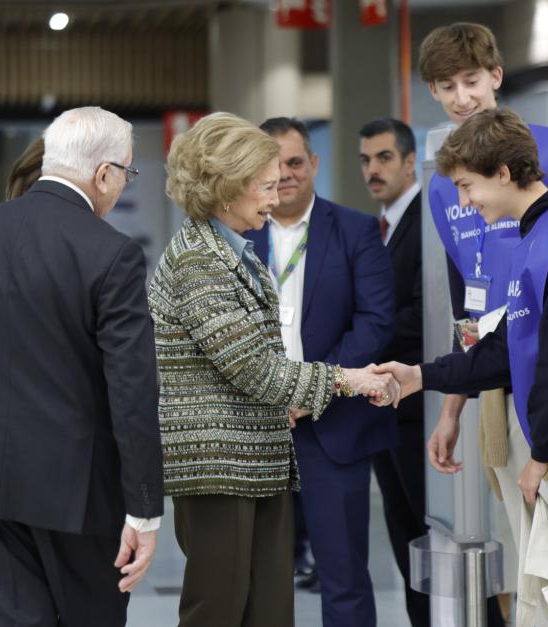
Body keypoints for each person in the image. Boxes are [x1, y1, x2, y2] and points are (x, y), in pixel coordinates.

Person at [0, 106, 164, 627]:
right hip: (80, 492)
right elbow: (132, 391)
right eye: (127, 172)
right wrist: (144, 508)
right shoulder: (111, 253)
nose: (124, 183)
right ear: (103, 174)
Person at [151, 112, 396, 627]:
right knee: (219, 611)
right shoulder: (199, 260)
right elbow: (254, 369)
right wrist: (348, 379)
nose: (274, 196)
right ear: (226, 189)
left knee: (267, 610)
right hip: (220, 465)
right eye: (264, 186)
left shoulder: (234, 250)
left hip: (257, 461)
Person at [377, 106, 548, 528]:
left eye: (467, 185)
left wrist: (541, 454)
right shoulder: (539, 234)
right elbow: (506, 349)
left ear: (504, 173)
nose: (463, 202)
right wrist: (419, 376)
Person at [418, 30, 548, 613]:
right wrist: (451, 409)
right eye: (447, 86)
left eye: (471, 81)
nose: (462, 97)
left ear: (496, 75)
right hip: (495, 371)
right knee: (522, 547)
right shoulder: (444, 186)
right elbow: (467, 301)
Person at [243, 116, 397, 627]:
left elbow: (375, 321)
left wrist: (312, 390)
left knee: (343, 576)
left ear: (314, 163)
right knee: (254, 577)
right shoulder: (238, 235)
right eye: (274, 166)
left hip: (333, 427)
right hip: (255, 426)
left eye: (294, 162)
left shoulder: (355, 230)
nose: (285, 174)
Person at [358, 117, 427, 627]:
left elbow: (425, 315)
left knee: (426, 538)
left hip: (419, 408)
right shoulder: (378, 228)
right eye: (365, 160)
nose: (373, 170)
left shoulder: (426, 221)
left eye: (384, 158)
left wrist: (358, 340)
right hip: (383, 409)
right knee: (404, 541)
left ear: (410, 161)